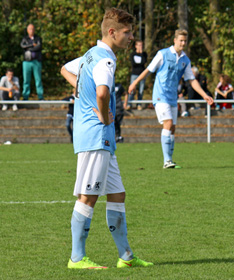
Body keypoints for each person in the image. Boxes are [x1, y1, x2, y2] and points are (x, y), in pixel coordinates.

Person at [60, 7, 153, 270]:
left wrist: (80, 92)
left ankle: (126, 256)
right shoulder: (106, 60)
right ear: (112, 32)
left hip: (102, 141)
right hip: (96, 136)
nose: (131, 37)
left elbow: (65, 70)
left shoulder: (90, 54)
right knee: (87, 197)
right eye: (127, 32)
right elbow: (102, 93)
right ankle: (77, 258)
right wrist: (103, 115)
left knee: (117, 195)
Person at [129, 29, 214, 169]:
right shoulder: (162, 54)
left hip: (172, 97)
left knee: (172, 128)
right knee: (167, 124)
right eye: (180, 40)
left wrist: (205, 95)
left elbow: (191, 80)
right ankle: (166, 161)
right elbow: (148, 70)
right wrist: (135, 83)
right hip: (160, 95)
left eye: (185, 41)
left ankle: (170, 159)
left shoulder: (185, 60)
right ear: (174, 40)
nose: (183, 43)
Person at [20, 23, 44, 100]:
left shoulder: (38, 38)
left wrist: (29, 48)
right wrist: (32, 45)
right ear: (27, 30)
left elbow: (39, 47)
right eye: (30, 29)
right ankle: (25, 96)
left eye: (33, 29)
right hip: (27, 62)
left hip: (36, 62)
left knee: (38, 80)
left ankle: (40, 97)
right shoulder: (25, 38)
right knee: (26, 80)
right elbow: (22, 46)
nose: (31, 30)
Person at [129, 40, 147, 110]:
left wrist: (141, 53)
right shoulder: (133, 54)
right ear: (136, 46)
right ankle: (129, 104)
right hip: (134, 74)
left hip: (142, 74)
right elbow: (134, 64)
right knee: (132, 89)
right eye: (139, 45)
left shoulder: (144, 54)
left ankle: (139, 104)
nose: (140, 47)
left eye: (141, 45)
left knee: (141, 90)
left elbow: (144, 62)